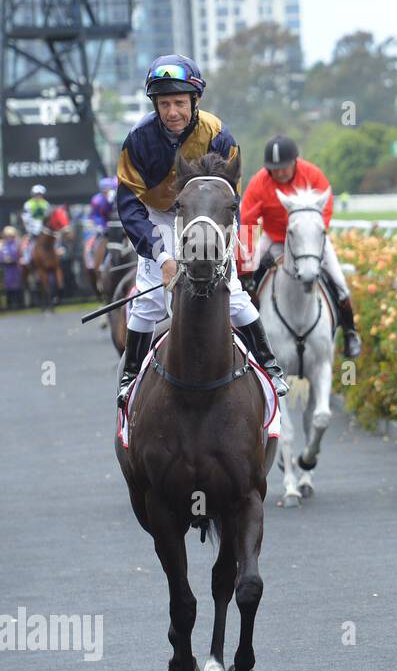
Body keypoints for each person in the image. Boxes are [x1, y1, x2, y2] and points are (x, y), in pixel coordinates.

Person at [115, 53, 288, 408]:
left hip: (206, 214)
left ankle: (269, 365)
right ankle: (131, 374)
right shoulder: (138, 139)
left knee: (234, 293)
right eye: (164, 104)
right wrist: (161, 256)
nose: (172, 112)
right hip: (158, 216)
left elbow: (229, 199)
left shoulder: (219, 135)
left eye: (179, 102)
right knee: (148, 299)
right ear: (155, 105)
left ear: (195, 101)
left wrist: (227, 245)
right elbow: (129, 204)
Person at [240, 134, 362, 358]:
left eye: (284, 168)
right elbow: (247, 219)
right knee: (245, 279)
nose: (279, 173)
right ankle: (249, 336)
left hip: (310, 240)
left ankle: (350, 332)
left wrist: (313, 234)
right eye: (273, 169)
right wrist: (248, 261)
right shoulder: (259, 183)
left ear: (296, 161)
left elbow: (326, 206)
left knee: (340, 282)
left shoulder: (312, 175)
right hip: (275, 239)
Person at [85, 176, 116, 284]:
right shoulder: (96, 200)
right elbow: (96, 215)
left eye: (109, 189)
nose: (106, 192)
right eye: (105, 189)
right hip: (103, 227)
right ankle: (92, 262)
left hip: (115, 226)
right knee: (92, 244)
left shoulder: (114, 198)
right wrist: (101, 226)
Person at [20, 184, 50, 265]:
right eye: (36, 194)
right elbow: (25, 218)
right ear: (33, 194)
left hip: (43, 228)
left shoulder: (46, 204)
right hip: (31, 228)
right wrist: (29, 228)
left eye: (40, 194)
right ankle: (26, 258)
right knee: (29, 242)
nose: (38, 196)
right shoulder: (28, 204)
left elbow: (48, 217)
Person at [2, 226, 23, 310]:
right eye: (7, 235)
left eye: (10, 235)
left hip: (16, 267)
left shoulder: (17, 244)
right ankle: (9, 305)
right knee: (8, 285)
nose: (9, 237)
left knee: (18, 285)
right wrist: (4, 259)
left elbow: (20, 254)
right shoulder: (4, 245)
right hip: (7, 268)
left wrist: (14, 258)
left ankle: (19, 304)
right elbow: (2, 255)